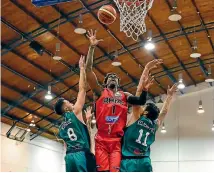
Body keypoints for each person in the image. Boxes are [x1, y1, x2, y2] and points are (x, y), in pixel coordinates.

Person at [85, 29, 163, 172]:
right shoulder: (99, 92)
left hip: (116, 141)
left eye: (116, 77)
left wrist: (145, 89)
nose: (113, 77)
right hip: (101, 139)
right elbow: (88, 70)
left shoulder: (125, 95)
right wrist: (92, 47)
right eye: (110, 77)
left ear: (119, 83)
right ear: (105, 82)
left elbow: (139, 102)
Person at [120, 70, 177, 172]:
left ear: (145, 113)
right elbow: (163, 113)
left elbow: (137, 97)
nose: (142, 107)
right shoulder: (154, 125)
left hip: (129, 162)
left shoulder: (137, 118)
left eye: (144, 107)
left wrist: (144, 87)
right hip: (145, 162)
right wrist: (169, 96)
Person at [54, 56, 96, 172]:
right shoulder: (75, 112)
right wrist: (82, 69)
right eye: (67, 102)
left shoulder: (61, 127)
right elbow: (82, 89)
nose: (70, 102)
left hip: (69, 157)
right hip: (80, 154)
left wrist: (87, 122)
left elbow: (66, 145)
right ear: (64, 107)